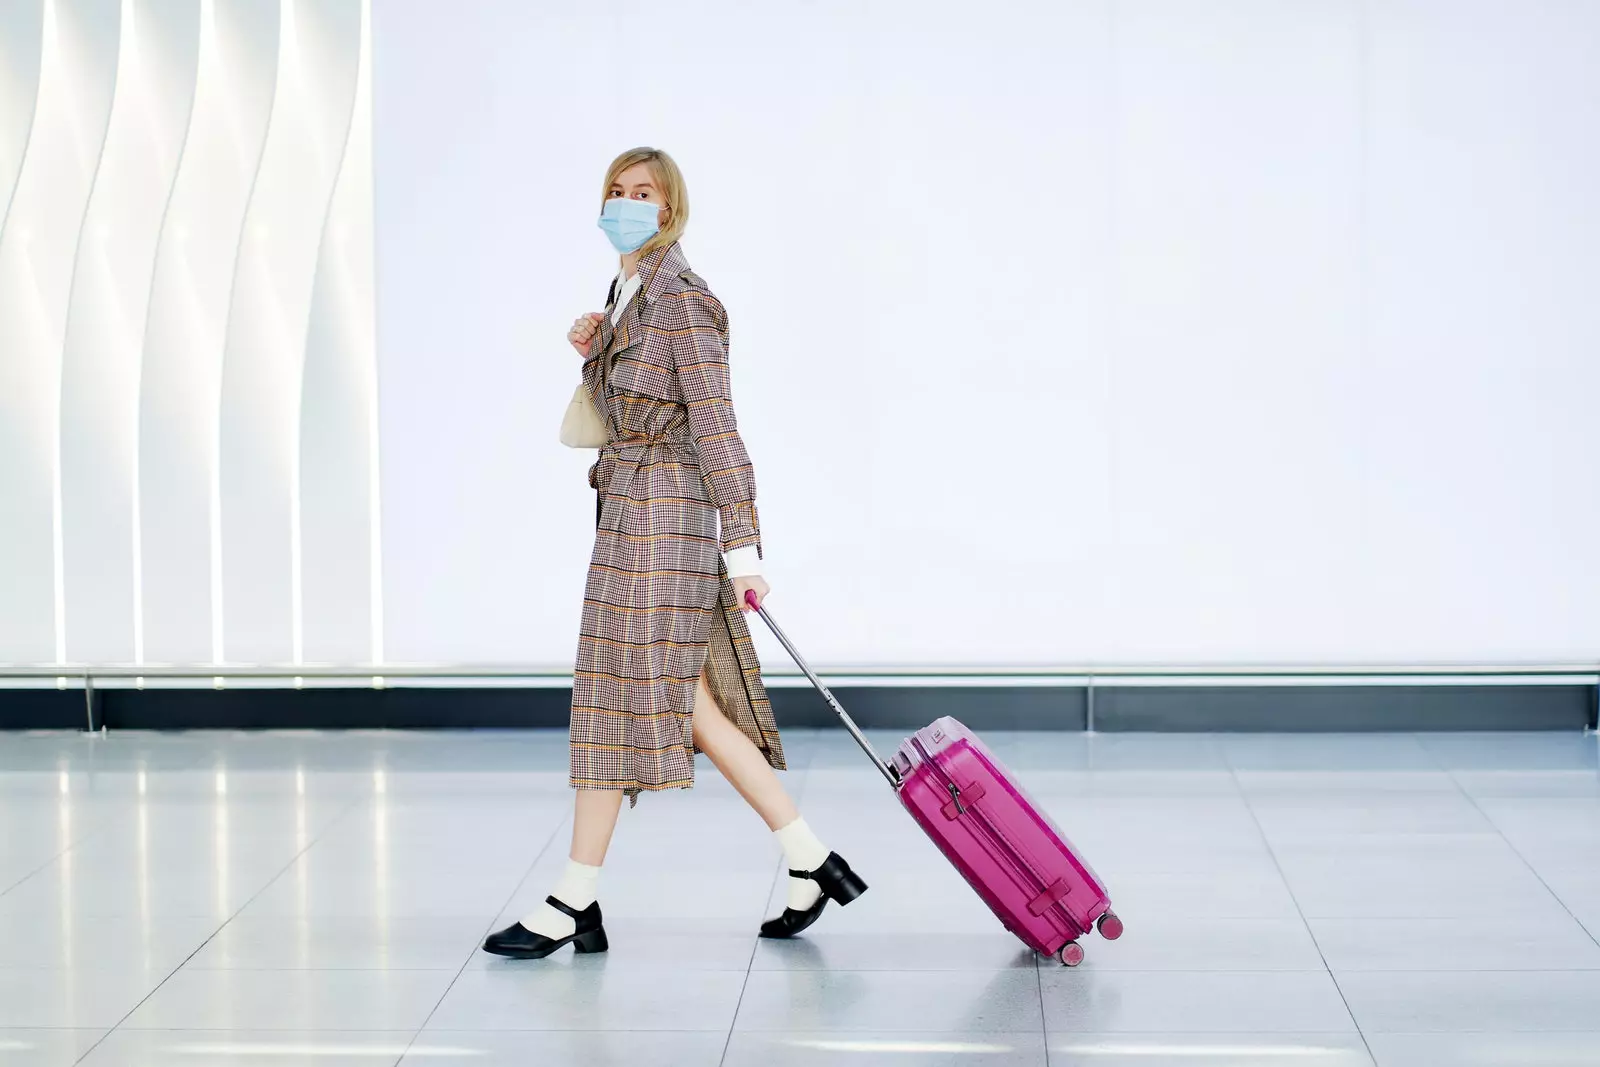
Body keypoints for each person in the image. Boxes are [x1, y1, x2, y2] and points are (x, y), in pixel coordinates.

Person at [483, 148, 866, 960]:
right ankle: (810, 857)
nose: (625, 203)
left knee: (615, 692)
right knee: (686, 701)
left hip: (665, 519)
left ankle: (571, 900)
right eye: (615, 192)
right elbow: (629, 408)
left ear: (670, 208)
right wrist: (593, 349)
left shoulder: (684, 303)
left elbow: (717, 425)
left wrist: (745, 546)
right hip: (631, 512)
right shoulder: (629, 297)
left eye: (642, 193)